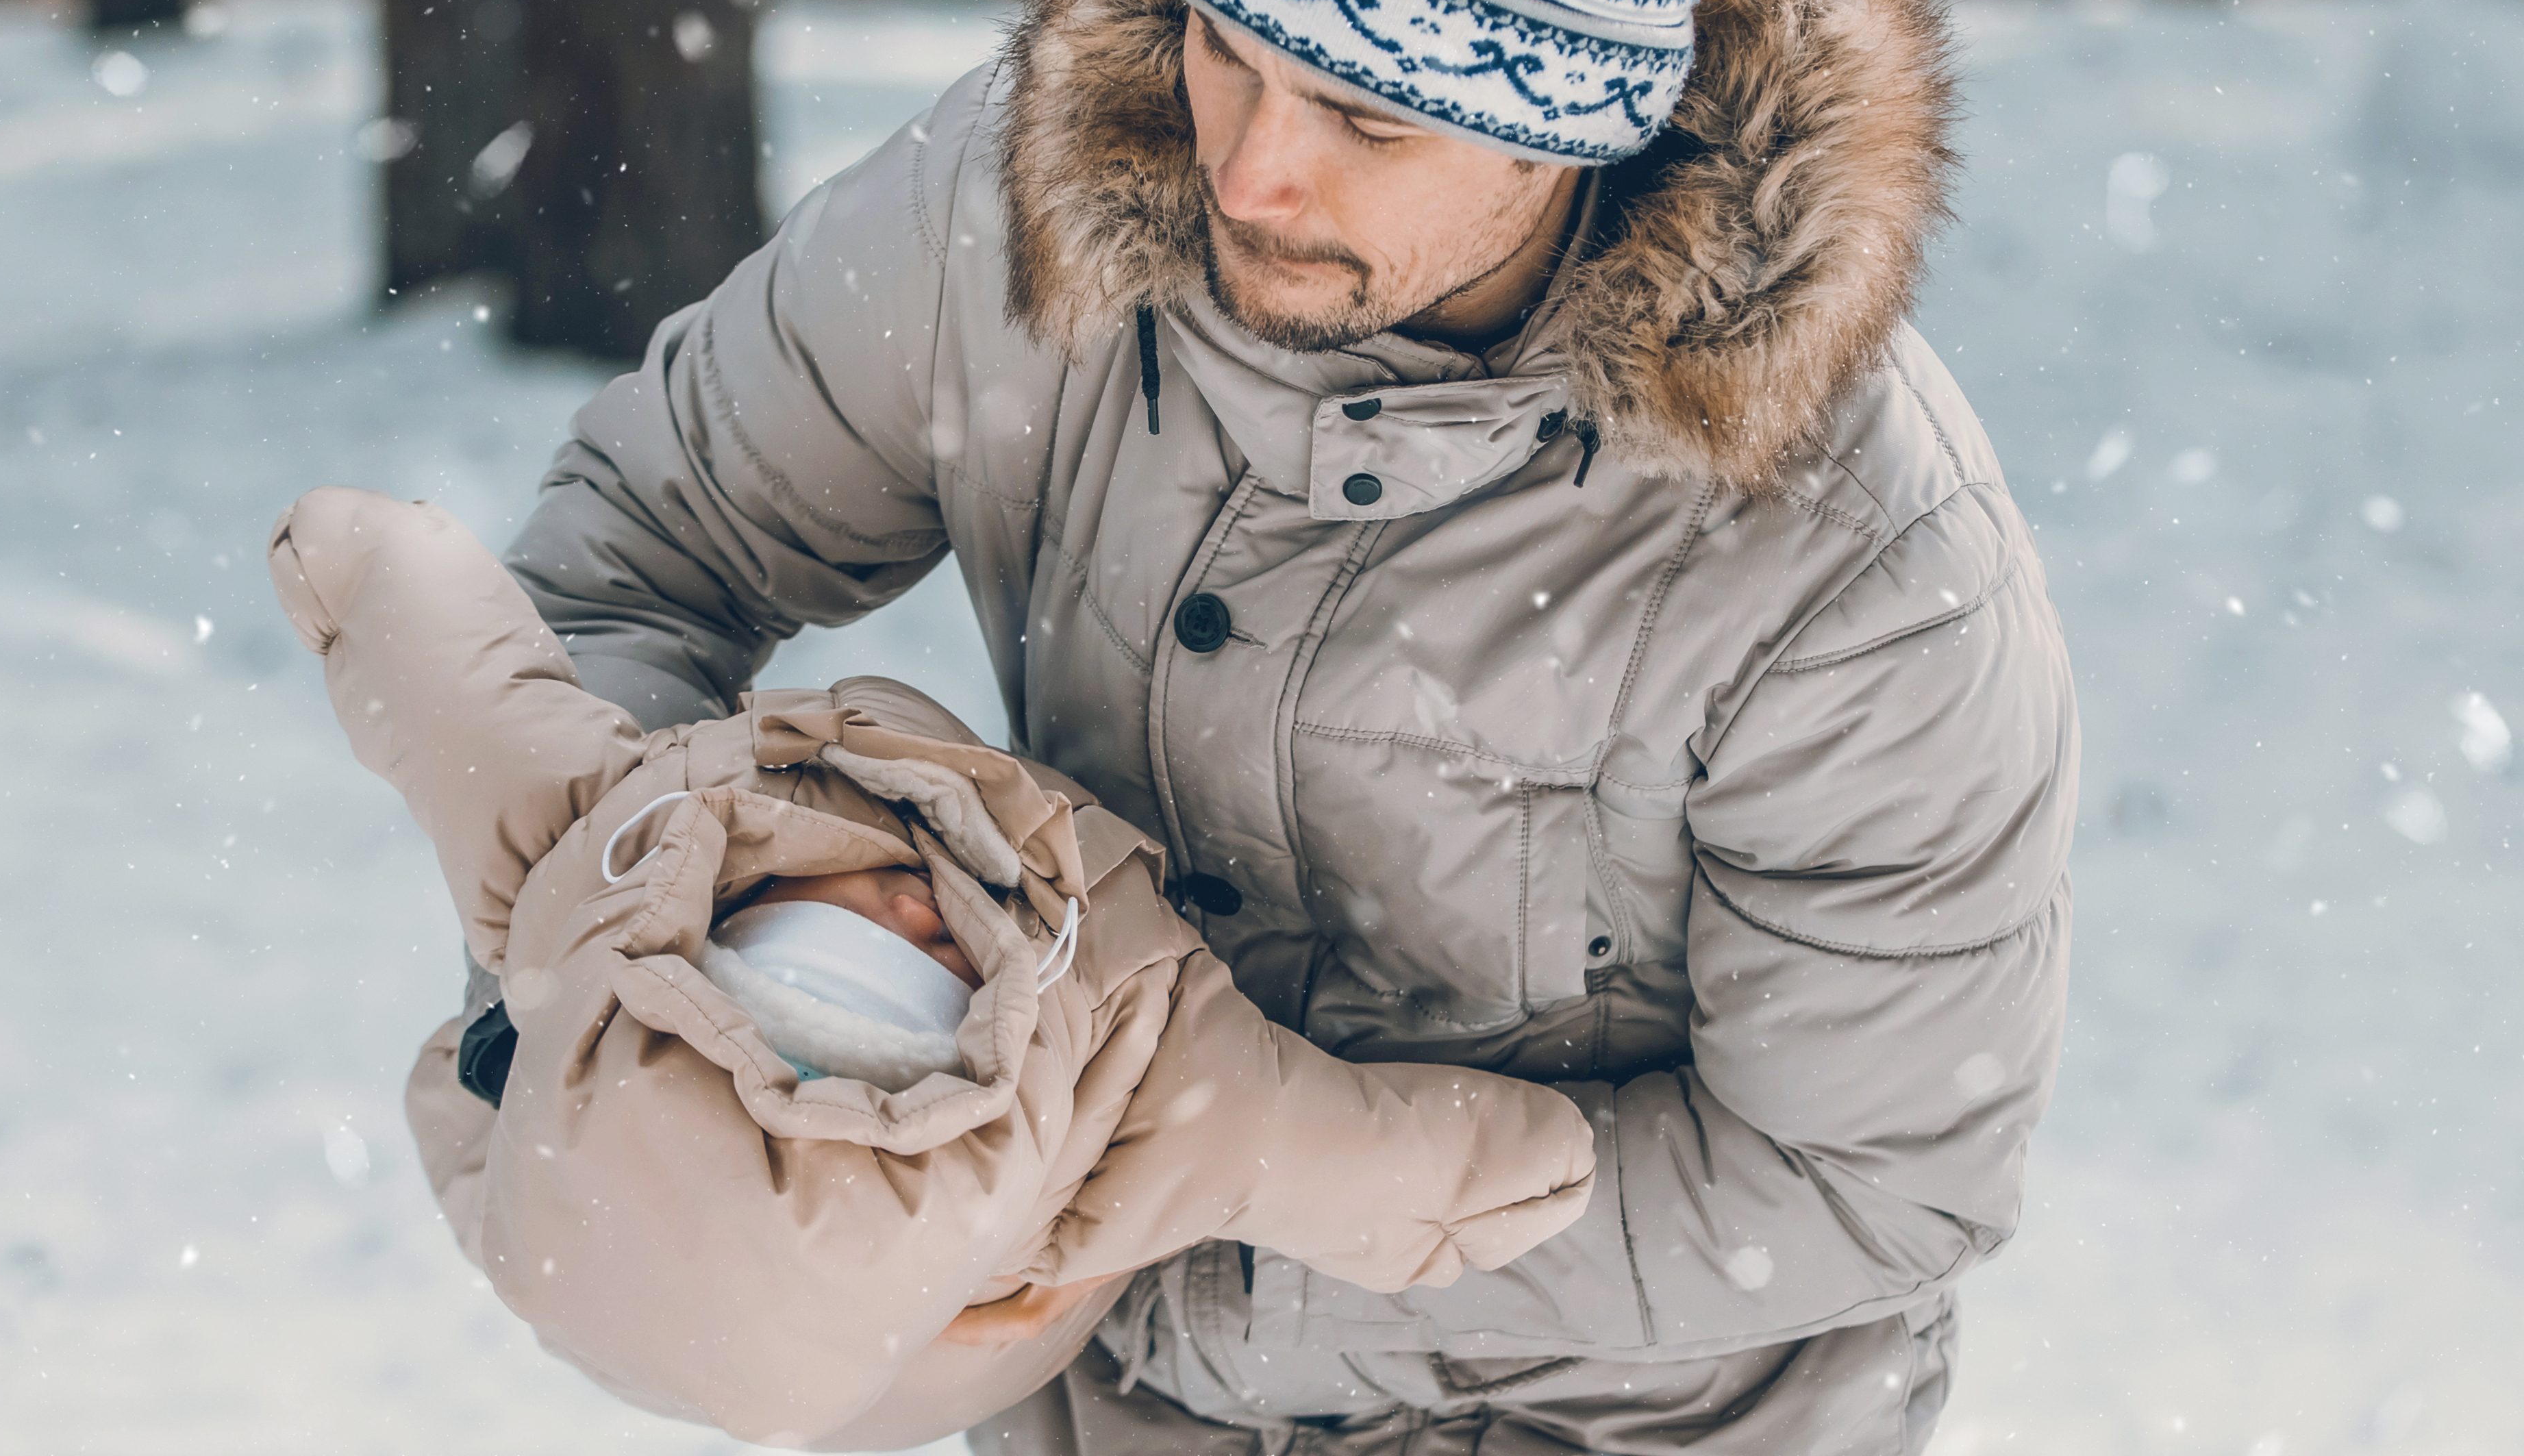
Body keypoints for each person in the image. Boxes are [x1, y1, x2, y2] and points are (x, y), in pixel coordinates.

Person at [501, 0, 2079, 1453]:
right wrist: (679, 956)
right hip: (1095, 1401)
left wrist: (1234, 1220)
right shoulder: (1026, 216)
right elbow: (630, 562)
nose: (1250, 171)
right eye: (1227, 51)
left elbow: (1864, 1183)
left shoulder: (1852, 553)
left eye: (1362, 115)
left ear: (1578, 127)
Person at [268, 486, 1599, 1452]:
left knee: (518, 1174)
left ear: (719, 942)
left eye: (835, 933)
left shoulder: (605, 841)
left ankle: (529, 1116)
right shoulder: (1143, 1088)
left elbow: (455, 691)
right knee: (582, 1236)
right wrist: (1481, 1179)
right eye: (932, 977)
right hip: (934, 1353)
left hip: (684, 1284)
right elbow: (1339, 1157)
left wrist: (368, 577)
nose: (915, 904)